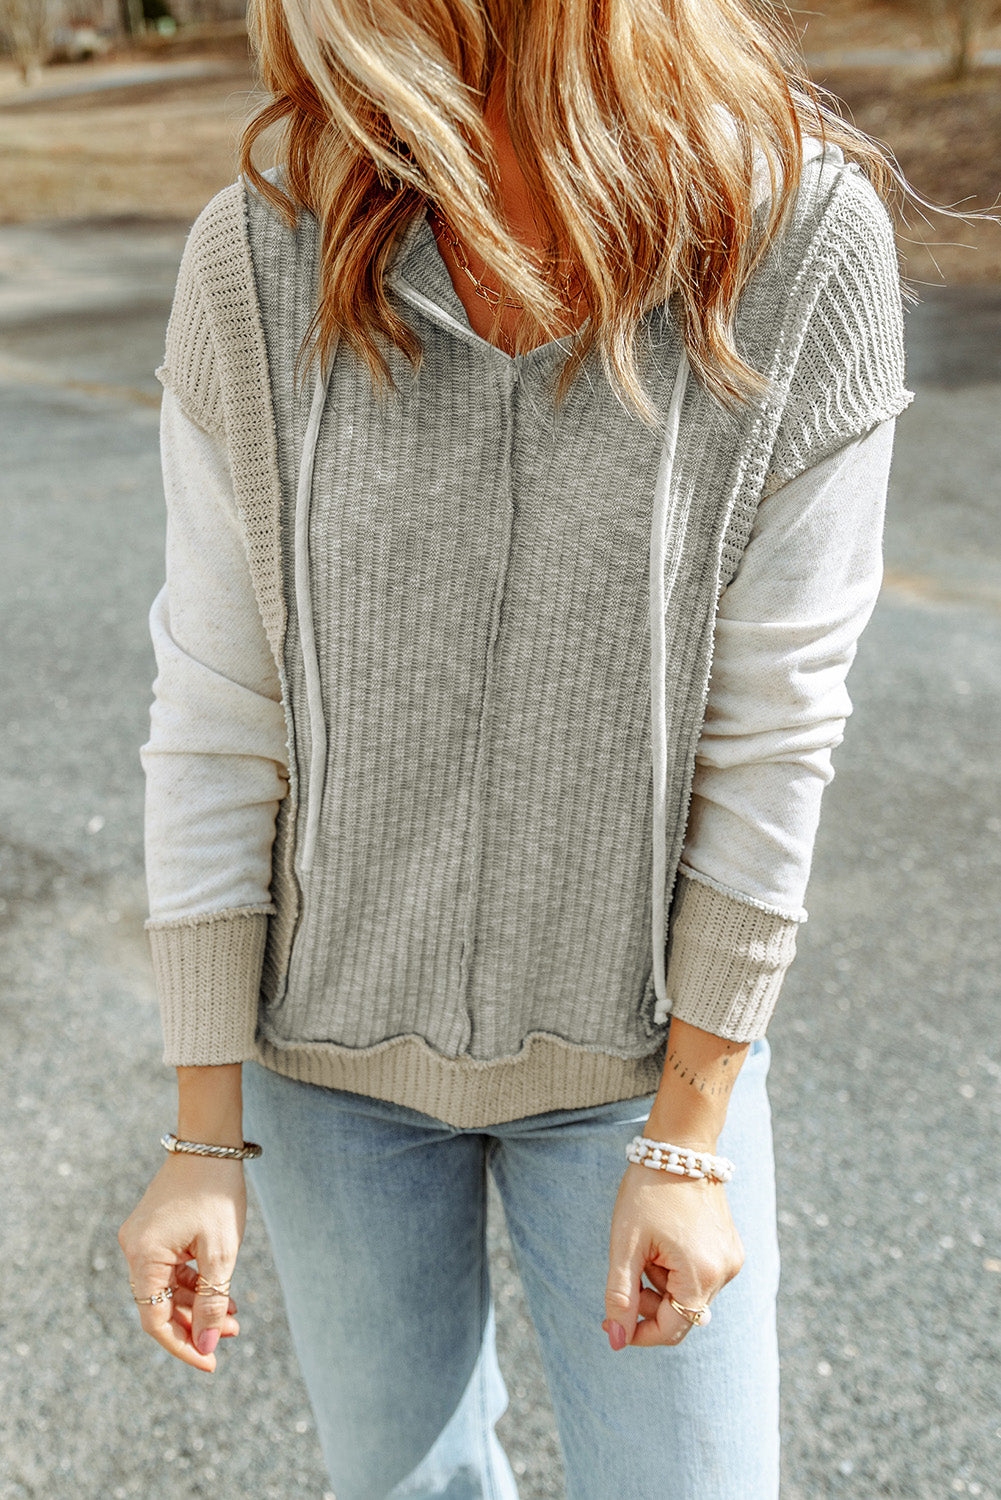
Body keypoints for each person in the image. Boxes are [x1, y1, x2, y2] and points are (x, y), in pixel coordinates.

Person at [118, 0, 916, 1493]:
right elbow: (219, 710)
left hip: (634, 1071)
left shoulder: (801, 244)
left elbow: (773, 732)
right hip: (328, 1071)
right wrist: (202, 1131)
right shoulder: (261, 250)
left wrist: (687, 1142)